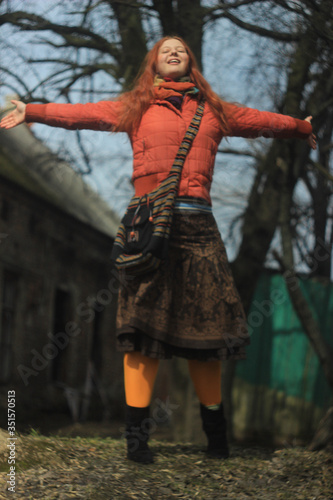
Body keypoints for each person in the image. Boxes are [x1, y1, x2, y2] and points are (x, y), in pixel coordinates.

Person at [0, 36, 316, 464]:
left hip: (199, 228)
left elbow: (261, 121)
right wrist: (32, 111)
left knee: (208, 337)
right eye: (165, 49)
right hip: (148, 228)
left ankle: (217, 440)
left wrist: (301, 127)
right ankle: (136, 442)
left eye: (181, 49)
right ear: (153, 62)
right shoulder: (135, 105)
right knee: (140, 332)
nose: (173, 52)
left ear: (190, 62)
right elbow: (82, 115)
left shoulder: (215, 110)